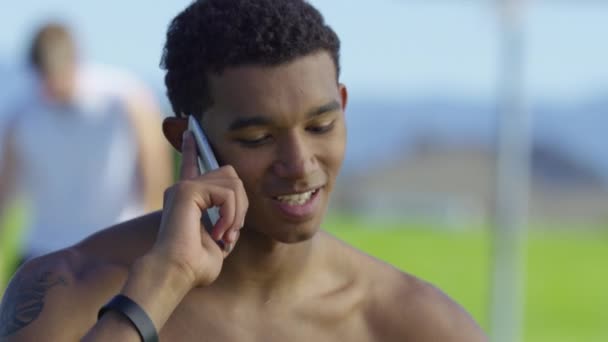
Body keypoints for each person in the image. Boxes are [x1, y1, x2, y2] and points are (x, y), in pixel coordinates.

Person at [0, 1, 487, 341]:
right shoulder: (66, 289)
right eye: (258, 138)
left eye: (321, 125)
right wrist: (160, 286)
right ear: (185, 140)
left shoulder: (414, 322)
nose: (300, 165)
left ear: (343, 106)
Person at [0, 23, 174, 263]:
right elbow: (6, 188)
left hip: (114, 246)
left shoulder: (125, 97)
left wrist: (155, 239)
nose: (51, 88)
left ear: (74, 62)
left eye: (56, 76)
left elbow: (155, 168)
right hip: (42, 251)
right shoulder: (20, 114)